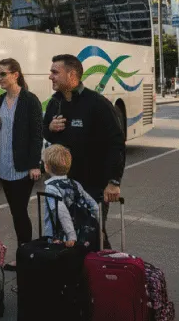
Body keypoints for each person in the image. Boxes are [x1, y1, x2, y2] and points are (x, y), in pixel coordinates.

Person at [43, 54, 125, 249]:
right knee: (68, 233)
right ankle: (76, 276)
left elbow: (117, 143)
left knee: (93, 232)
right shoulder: (55, 102)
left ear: (72, 75)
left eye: (55, 72)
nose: (50, 76)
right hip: (64, 184)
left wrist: (113, 181)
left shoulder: (97, 103)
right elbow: (45, 131)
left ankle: (106, 271)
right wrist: (49, 128)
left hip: (93, 185)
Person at [0, 58, 43, 270]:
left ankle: (24, 256)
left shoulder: (30, 100)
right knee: (15, 211)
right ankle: (25, 254)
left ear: (16, 74)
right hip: (4, 165)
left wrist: (34, 164)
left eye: (3, 74)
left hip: (22, 167)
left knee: (20, 212)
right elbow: (5, 128)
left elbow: (36, 135)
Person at [41, 145, 100, 250]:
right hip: (80, 232)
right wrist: (97, 223)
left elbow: (60, 211)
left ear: (46, 167)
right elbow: (94, 206)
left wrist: (71, 235)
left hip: (60, 237)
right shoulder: (75, 184)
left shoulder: (51, 188)